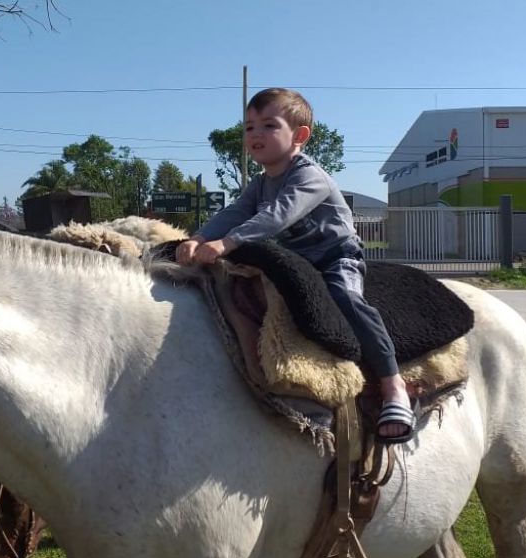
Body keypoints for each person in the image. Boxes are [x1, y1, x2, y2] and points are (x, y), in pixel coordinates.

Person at [176, 87, 415, 443]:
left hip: (336, 258)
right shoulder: (259, 184)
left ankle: (393, 385)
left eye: (269, 125)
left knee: (345, 298)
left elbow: (279, 215)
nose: (254, 134)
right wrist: (196, 238)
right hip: (298, 261)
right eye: (248, 127)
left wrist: (227, 243)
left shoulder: (310, 176)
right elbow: (234, 212)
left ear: (299, 135)